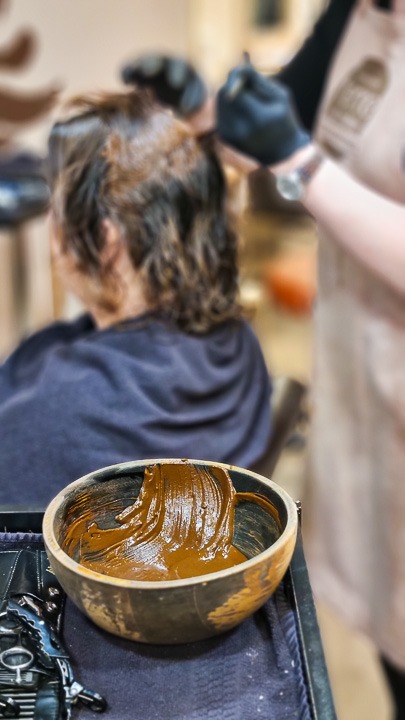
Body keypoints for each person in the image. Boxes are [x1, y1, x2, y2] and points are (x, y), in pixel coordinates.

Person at [214, 0, 405, 716]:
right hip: (362, 389)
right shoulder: (355, 15)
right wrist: (210, 110)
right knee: (388, 631)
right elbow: (262, 133)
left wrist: (302, 164)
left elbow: (293, 159)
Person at [0, 88, 272, 508]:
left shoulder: (50, 417)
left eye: (55, 204)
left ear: (105, 240)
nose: (49, 221)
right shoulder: (237, 339)